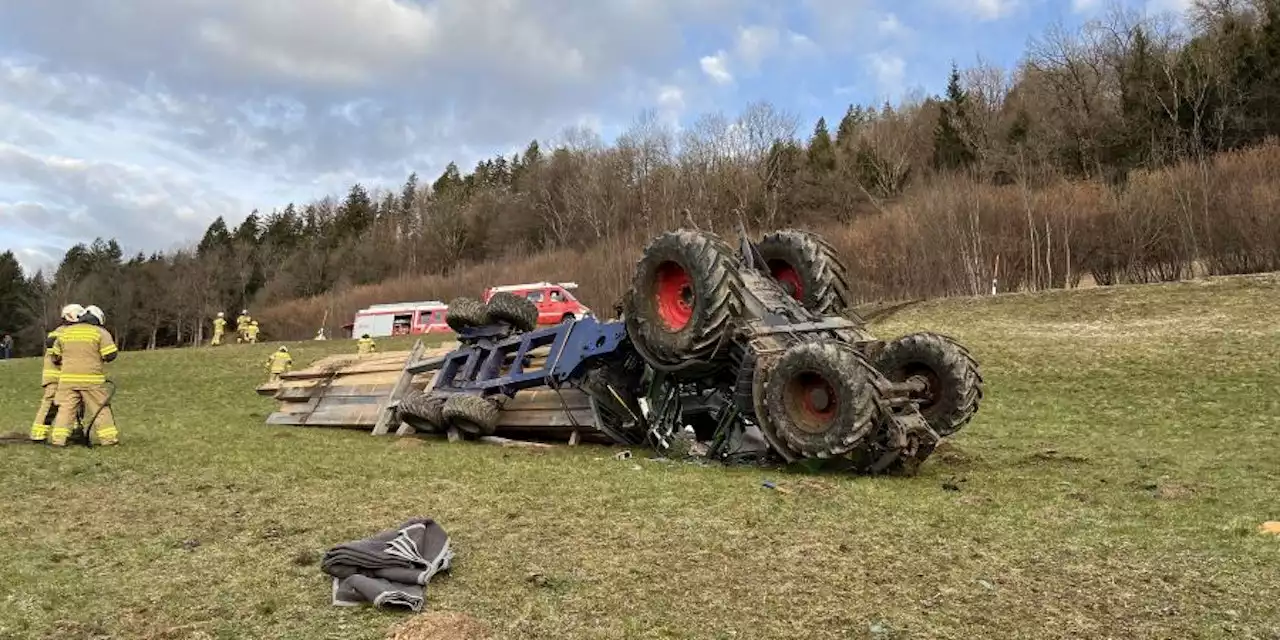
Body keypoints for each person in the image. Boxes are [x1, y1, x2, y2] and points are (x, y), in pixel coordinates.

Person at [48, 305, 119, 447]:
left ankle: (58, 440)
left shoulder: (66, 332)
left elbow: (55, 356)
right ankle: (109, 439)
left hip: (67, 380)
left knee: (66, 409)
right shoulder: (100, 332)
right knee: (100, 408)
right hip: (91, 380)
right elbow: (110, 354)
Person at [30, 304, 83, 442]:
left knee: (71, 404)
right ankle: (38, 433)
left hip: (66, 376)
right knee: (50, 405)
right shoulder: (61, 333)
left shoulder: (65, 332)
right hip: (56, 376)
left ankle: (73, 432)